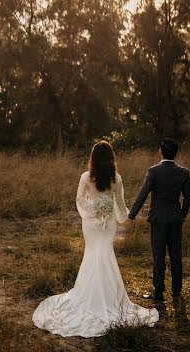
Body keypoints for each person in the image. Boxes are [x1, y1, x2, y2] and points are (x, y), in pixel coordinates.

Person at [32, 140, 158, 338]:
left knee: (97, 255)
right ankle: (106, 298)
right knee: (100, 255)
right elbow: (119, 203)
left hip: (92, 223)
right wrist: (123, 217)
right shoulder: (116, 178)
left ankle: (94, 297)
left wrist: (94, 209)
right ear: (111, 158)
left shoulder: (87, 177)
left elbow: (80, 200)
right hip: (106, 223)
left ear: (93, 158)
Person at [128, 138, 190, 302]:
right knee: (176, 255)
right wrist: (182, 214)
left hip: (158, 219)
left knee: (159, 256)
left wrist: (131, 215)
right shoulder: (183, 172)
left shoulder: (153, 171)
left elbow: (142, 195)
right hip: (175, 219)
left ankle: (159, 292)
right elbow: (188, 197)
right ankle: (177, 291)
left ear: (161, 151)